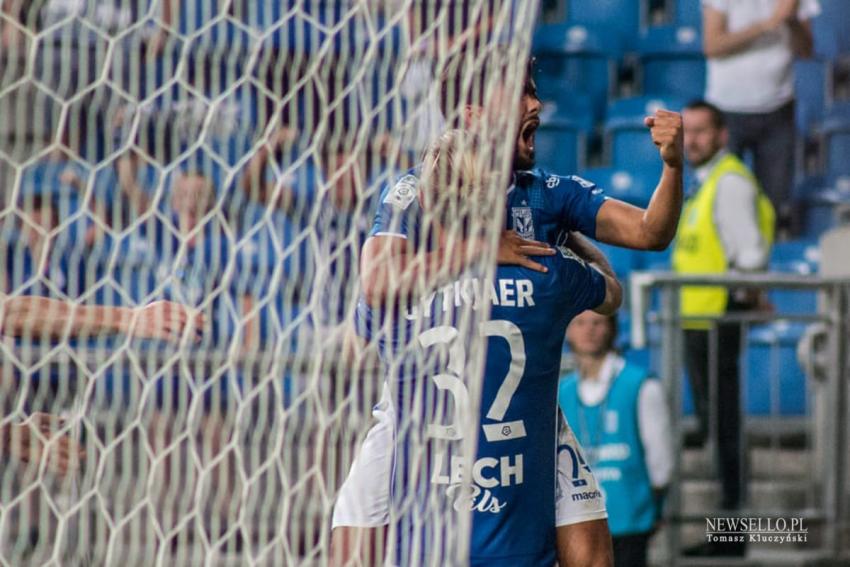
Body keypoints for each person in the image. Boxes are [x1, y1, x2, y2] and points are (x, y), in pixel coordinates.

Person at [334, 47, 684, 566]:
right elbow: (377, 282)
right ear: (473, 111)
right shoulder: (413, 191)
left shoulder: (546, 192)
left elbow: (652, 232)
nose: (536, 102)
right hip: (423, 412)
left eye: (534, 89)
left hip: (526, 404)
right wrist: (480, 250)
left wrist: (673, 166)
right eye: (521, 91)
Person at [333, 129, 621, 566]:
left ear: (430, 202)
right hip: (521, 458)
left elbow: (356, 337)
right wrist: (570, 240)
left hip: (426, 477)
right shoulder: (547, 271)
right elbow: (613, 294)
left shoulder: (395, 292)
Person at [673, 100, 776, 557]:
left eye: (700, 132)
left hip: (717, 319)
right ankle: (726, 532)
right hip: (699, 318)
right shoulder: (706, 181)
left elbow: (750, 255)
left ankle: (731, 538)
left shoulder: (729, 181)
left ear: (721, 136)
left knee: (725, 429)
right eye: (686, 131)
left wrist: (749, 293)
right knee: (717, 426)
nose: (691, 140)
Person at [559, 310, 673, 567]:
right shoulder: (563, 391)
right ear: (567, 330)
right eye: (579, 323)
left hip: (628, 519)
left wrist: (654, 506)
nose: (588, 330)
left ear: (611, 328)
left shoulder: (640, 384)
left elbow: (660, 460)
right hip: (578, 522)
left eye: (597, 322)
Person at [702, 0, 821, 234]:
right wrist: (768, 24)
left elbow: (806, 50)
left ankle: (762, 263)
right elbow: (712, 45)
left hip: (778, 108)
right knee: (719, 198)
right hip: (727, 110)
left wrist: (790, 20)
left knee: (772, 203)